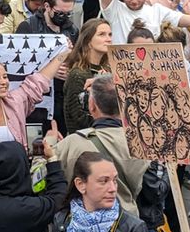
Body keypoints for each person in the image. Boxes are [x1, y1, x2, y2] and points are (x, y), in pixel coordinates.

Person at [55, 74, 150, 218]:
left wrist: (48, 145)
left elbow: (40, 180)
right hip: (126, 226)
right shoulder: (143, 141)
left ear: (91, 105)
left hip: (82, 227)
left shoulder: (71, 143)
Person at [0, 51, 67, 189]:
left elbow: (39, 81)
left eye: (5, 77)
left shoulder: (15, 102)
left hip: (17, 184)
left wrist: (62, 54)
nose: (3, 82)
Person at [63, 19, 112, 133]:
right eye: (102, 34)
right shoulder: (78, 75)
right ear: (88, 40)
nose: (109, 39)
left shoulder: (109, 70)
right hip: (86, 139)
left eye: (110, 34)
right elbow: (78, 117)